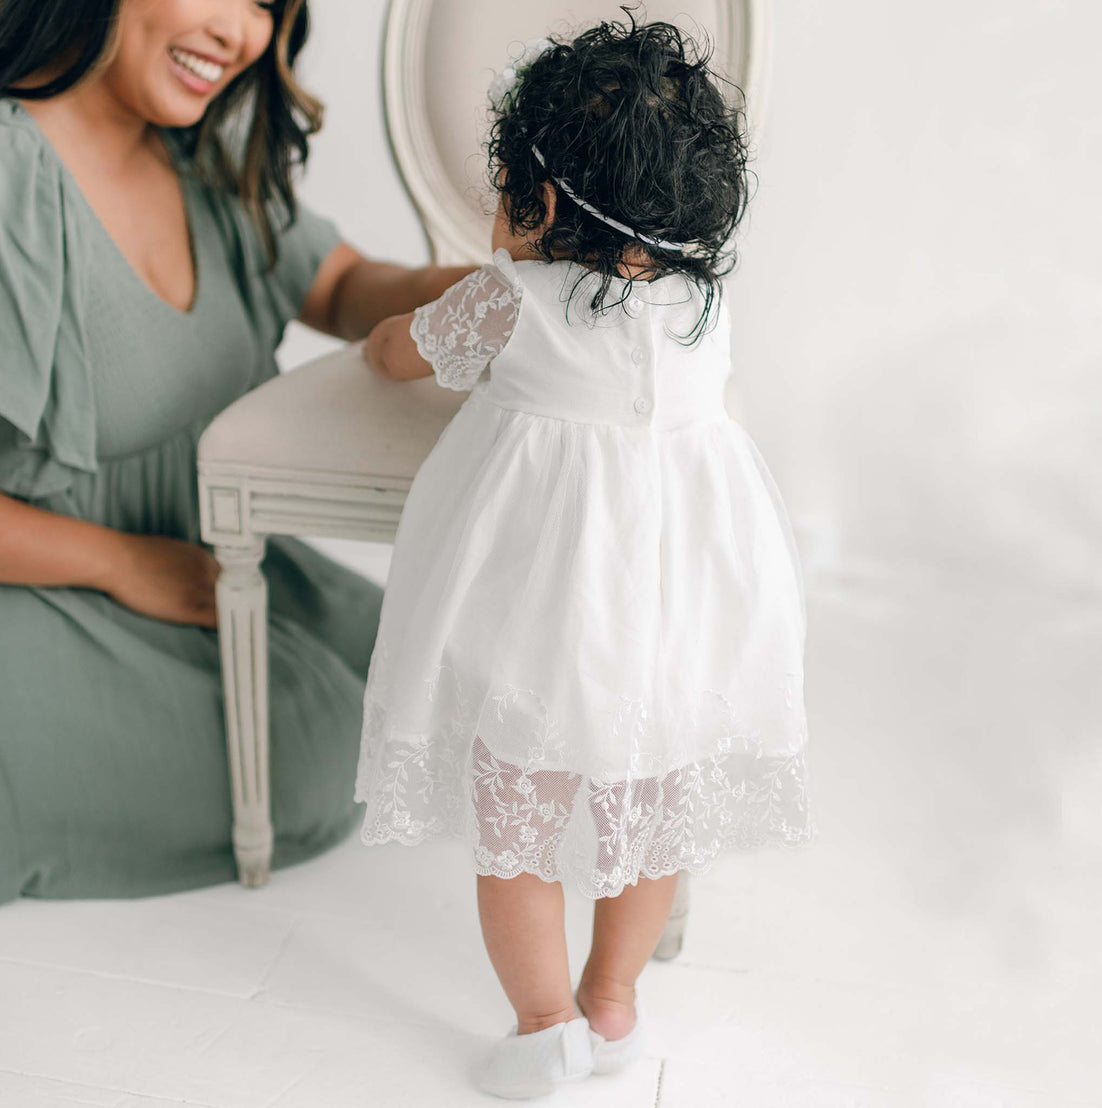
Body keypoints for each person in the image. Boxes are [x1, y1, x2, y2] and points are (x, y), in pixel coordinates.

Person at [355, 16, 814, 1097]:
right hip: (677, 613)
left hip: (543, 615)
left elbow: (398, 356)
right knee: (650, 817)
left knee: (514, 826)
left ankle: (540, 1022)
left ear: (540, 201)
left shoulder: (507, 301)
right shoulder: (705, 306)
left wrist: (390, 334)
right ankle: (614, 1004)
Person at [0, 0, 471, 903]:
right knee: (315, 738)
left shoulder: (200, 159)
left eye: (265, 6)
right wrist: (122, 564)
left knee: (422, 666)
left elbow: (343, 288)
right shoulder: (16, 169)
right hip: (47, 581)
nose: (238, 32)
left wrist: (506, 286)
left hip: (201, 554)